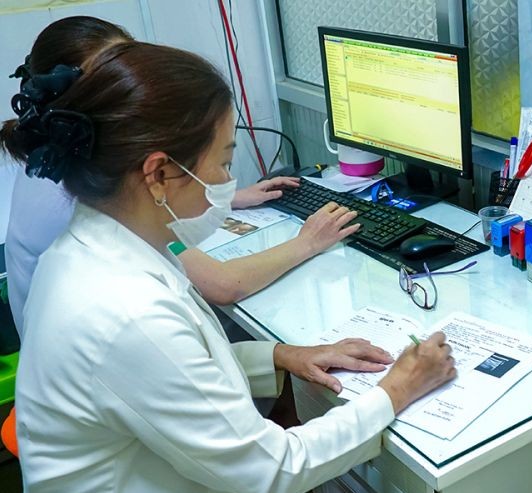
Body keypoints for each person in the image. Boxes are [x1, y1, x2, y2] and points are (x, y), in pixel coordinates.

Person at [4, 40, 457, 492]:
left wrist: (281, 355)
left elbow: (179, 370)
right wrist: (396, 391)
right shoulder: (126, 313)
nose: (227, 181)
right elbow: (272, 470)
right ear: (159, 175)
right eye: (223, 161)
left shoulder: (90, 247)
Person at [3, 16, 325, 336]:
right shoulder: (76, 194)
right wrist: (308, 242)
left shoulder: (63, 159)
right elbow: (223, 284)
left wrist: (224, 194)